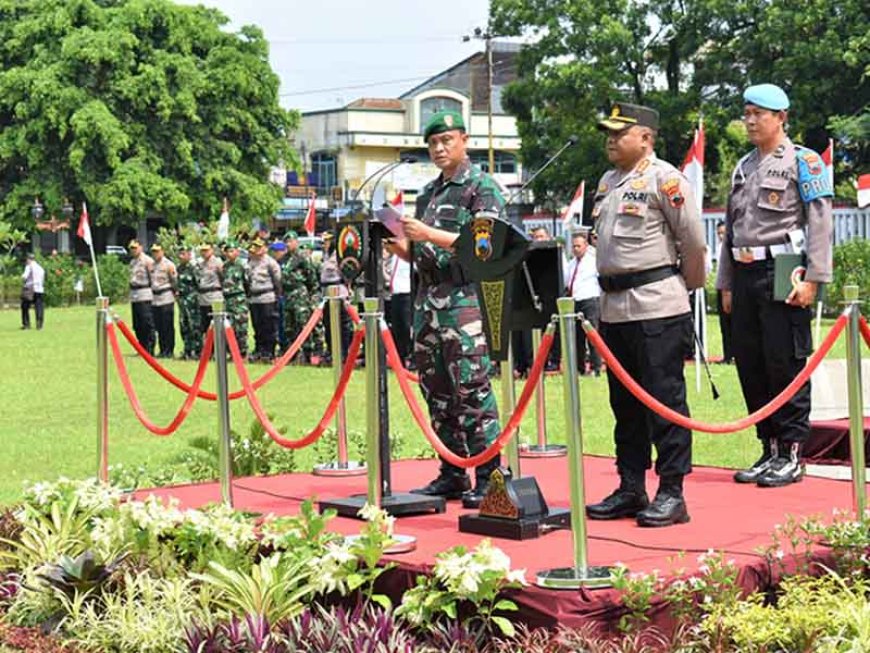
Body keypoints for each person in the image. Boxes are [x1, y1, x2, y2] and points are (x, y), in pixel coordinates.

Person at [584, 102, 706, 527]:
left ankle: (672, 491)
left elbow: (693, 242)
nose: (611, 140)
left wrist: (681, 291)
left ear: (646, 139)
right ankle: (630, 486)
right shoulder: (607, 181)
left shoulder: (665, 179)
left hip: (657, 304)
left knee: (664, 401)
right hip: (614, 308)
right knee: (625, 405)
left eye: (620, 133)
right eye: (609, 133)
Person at [717, 84, 833, 487]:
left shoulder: (805, 161)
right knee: (752, 363)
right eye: (746, 113)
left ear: (781, 116)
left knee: (785, 361)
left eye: (758, 114)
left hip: (785, 268)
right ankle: (768, 448)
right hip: (745, 272)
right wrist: (726, 285)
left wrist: (815, 279)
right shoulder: (744, 166)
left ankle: (793, 452)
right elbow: (731, 231)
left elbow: (820, 223)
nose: (750, 121)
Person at [386, 109, 502, 509]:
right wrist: (400, 245)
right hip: (428, 304)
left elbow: (486, 249)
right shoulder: (430, 193)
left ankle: (490, 476)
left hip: (464, 304)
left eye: (446, 141)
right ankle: (451, 472)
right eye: (432, 143)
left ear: (464, 140)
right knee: (437, 392)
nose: (438, 149)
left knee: (471, 389)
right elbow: (424, 254)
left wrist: (428, 233)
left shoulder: (482, 188)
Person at [564, 229, 602, 376]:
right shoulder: (571, 263)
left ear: (586, 245)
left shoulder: (593, 260)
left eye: (578, 246)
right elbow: (568, 281)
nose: (575, 249)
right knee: (577, 337)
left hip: (590, 300)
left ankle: (595, 367)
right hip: (576, 300)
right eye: (573, 246)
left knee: (592, 335)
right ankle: (579, 368)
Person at [247, 238, 282, 362]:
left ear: (265, 248)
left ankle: (269, 351)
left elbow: (277, 281)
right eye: (255, 247)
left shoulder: (270, 262)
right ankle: (259, 350)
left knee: (269, 326)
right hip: (254, 299)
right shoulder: (251, 262)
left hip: (267, 298)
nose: (257, 249)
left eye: (260, 247)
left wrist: (278, 297)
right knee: (257, 326)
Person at [383, 244, 413, 367]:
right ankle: (399, 360)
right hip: (395, 294)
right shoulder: (395, 257)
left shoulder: (408, 257)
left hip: (407, 294)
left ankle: (410, 357)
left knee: (407, 328)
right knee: (397, 329)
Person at [221, 240, 249, 358]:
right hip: (228, 300)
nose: (229, 254)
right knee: (229, 327)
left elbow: (248, 283)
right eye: (227, 252)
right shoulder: (225, 266)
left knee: (241, 327)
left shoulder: (242, 265)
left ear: (237, 252)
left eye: (232, 251)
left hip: (239, 299)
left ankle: (242, 352)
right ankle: (232, 352)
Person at [149, 244, 177, 358]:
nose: (155, 254)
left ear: (162, 252)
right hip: (155, 299)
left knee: (167, 325)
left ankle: (169, 350)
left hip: (166, 297)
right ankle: (162, 349)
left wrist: (175, 292)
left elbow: (174, 280)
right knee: (159, 326)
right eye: (153, 252)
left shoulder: (169, 265)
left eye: (157, 251)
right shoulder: (151, 265)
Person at [128, 240, 155, 354]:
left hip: (145, 294)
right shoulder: (132, 262)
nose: (133, 250)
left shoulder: (147, 261)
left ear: (141, 247)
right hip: (135, 295)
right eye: (131, 248)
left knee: (146, 323)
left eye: (135, 248)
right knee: (137, 324)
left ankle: (149, 348)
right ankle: (141, 347)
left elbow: (153, 278)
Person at [175, 245, 202, 360]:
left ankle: (197, 350)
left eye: (183, 254)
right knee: (184, 325)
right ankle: (187, 349)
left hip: (192, 301)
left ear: (189, 255)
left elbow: (199, 285)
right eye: (179, 254)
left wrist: (194, 298)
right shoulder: (179, 268)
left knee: (194, 326)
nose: (180, 256)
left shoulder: (194, 268)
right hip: (182, 301)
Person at [715, 221, 733, 364]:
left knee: (733, 324)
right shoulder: (719, 247)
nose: (721, 236)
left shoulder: (730, 247)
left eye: (723, 233)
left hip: (730, 288)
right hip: (720, 287)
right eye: (719, 233)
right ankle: (728, 354)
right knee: (724, 325)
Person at [196, 242, 223, 337]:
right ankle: (209, 348)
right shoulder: (200, 264)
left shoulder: (218, 263)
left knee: (216, 323)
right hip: (203, 298)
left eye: (206, 250)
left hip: (214, 296)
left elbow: (222, 278)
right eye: (202, 251)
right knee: (205, 324)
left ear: (212, 250)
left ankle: (218, 347)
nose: (204, 253)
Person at [269, 240, 289, 352]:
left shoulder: (287, 262)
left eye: (277, 251)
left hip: (287, 296)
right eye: (274, 251)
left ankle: (287, 346)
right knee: (278, 323)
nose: (275, 253)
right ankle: (282, 345)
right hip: (277, 296)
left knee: (286, 323)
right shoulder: (274, 263)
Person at [20, 254, 45, 330]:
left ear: (28, 259)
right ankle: (39, 325)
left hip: (30, 289)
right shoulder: (40, 268)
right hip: (39, 289)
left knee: (25, 307)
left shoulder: (29, 266)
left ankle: (26, 324)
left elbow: (24, 276)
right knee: (39, 307)